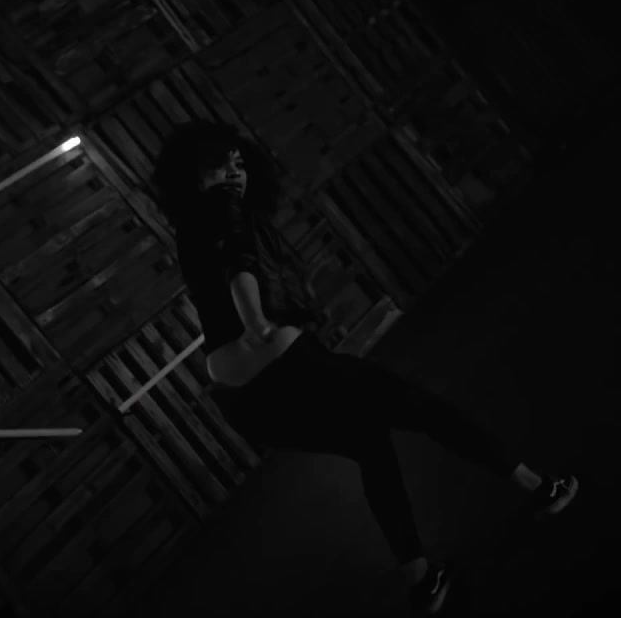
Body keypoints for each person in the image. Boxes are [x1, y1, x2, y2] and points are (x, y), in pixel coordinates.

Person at [151, 120, 578, 614]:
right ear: (193, 175)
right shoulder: (225, 210)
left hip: (247, 405)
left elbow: (229, 262)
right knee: (423, 409)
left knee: (371, 445)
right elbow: (238, 260)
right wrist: (255, 319)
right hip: (289, 368)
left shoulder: (187, 234)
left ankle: (422, 580)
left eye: (239, 164)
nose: (234, 174)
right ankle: (541, 488)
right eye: (220, 165)